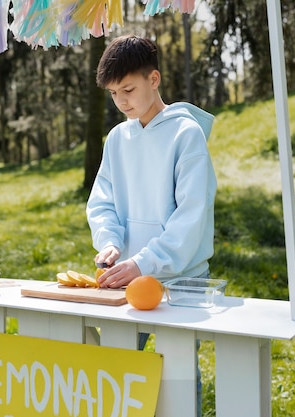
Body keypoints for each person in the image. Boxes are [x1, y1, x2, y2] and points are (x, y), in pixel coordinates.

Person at [86, 34, 216, 417]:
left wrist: (145, 261)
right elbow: (103, 200)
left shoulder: (185, 134)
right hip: (125, 277)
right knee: (118, 373)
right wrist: (110, 241)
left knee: (176, 379)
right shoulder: (117, 138)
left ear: (154, 79)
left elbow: (192, 214)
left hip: (180, 278)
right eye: (113, 93)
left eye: (128, 89)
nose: (122, 101)